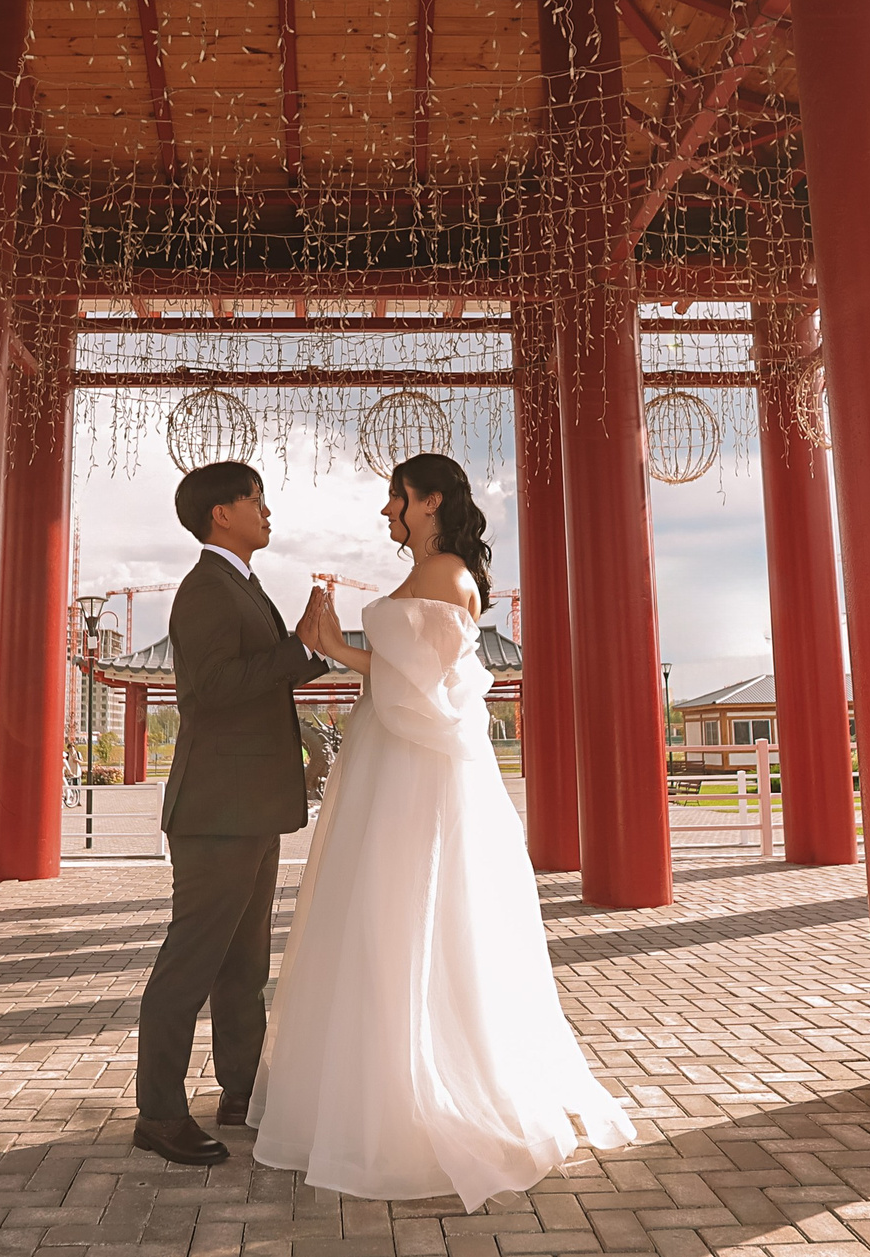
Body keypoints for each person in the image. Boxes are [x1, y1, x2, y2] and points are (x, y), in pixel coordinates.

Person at [265, 452, 636, 1209]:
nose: (386, 512)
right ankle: (371, 1088)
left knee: (408, 921)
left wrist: (336, 647)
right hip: (390, 759)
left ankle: (416, 1101)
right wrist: (336, 645)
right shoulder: (426, 575)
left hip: (417, 771)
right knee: (376, 923)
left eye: (395, 498)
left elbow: (425, 692)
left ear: (430, 501)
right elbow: (403, 675)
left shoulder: (446, 577)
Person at [132, 460, 336, 1166]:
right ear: (222, 513)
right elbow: (211, 692)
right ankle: (158, 1114)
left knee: (243, 966)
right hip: (217, 809)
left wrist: (309, 648)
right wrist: (300, 648)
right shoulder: (206, 589)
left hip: (248, 806)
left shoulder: (240, 584)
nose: (267, 511)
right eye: (257, 500)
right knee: (189, 967)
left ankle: (242, 1090)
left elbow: (262, 676)